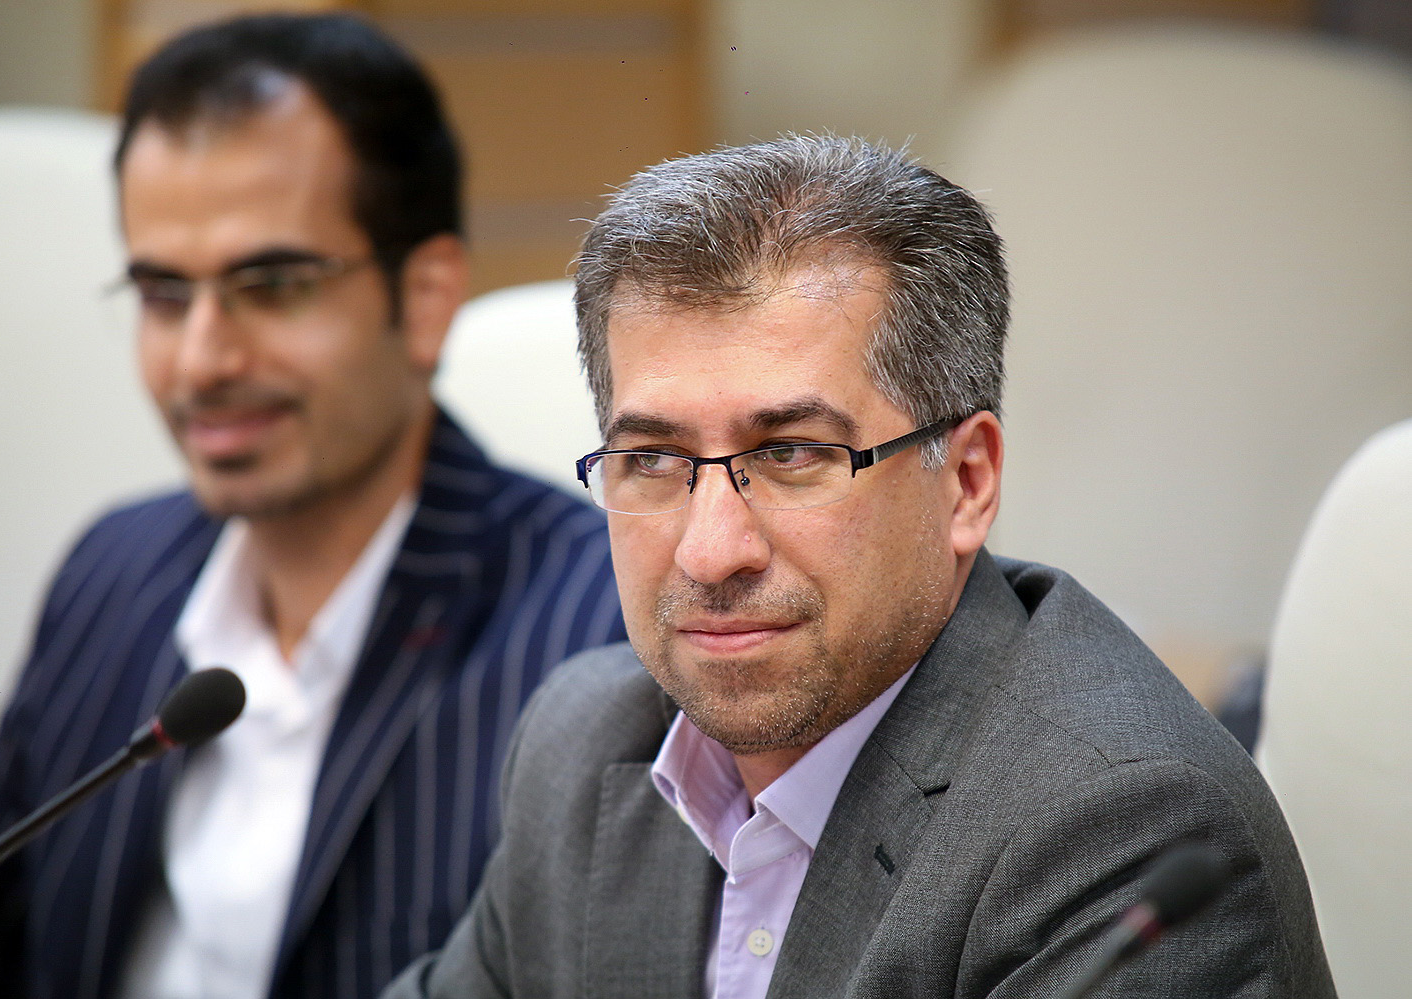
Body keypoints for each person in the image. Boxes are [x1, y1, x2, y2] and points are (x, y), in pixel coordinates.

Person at [385, 134, 1336, 998]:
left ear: (965, 481)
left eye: (792, 453)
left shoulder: (1119, 832)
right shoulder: (585, 741)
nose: (709, 551)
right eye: (654, 460)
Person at [0, 13, 625, 999]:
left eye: (273, 285)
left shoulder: (597, 628)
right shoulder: (113, 571)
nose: (201, 360)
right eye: (164, 294)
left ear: (424, 299)